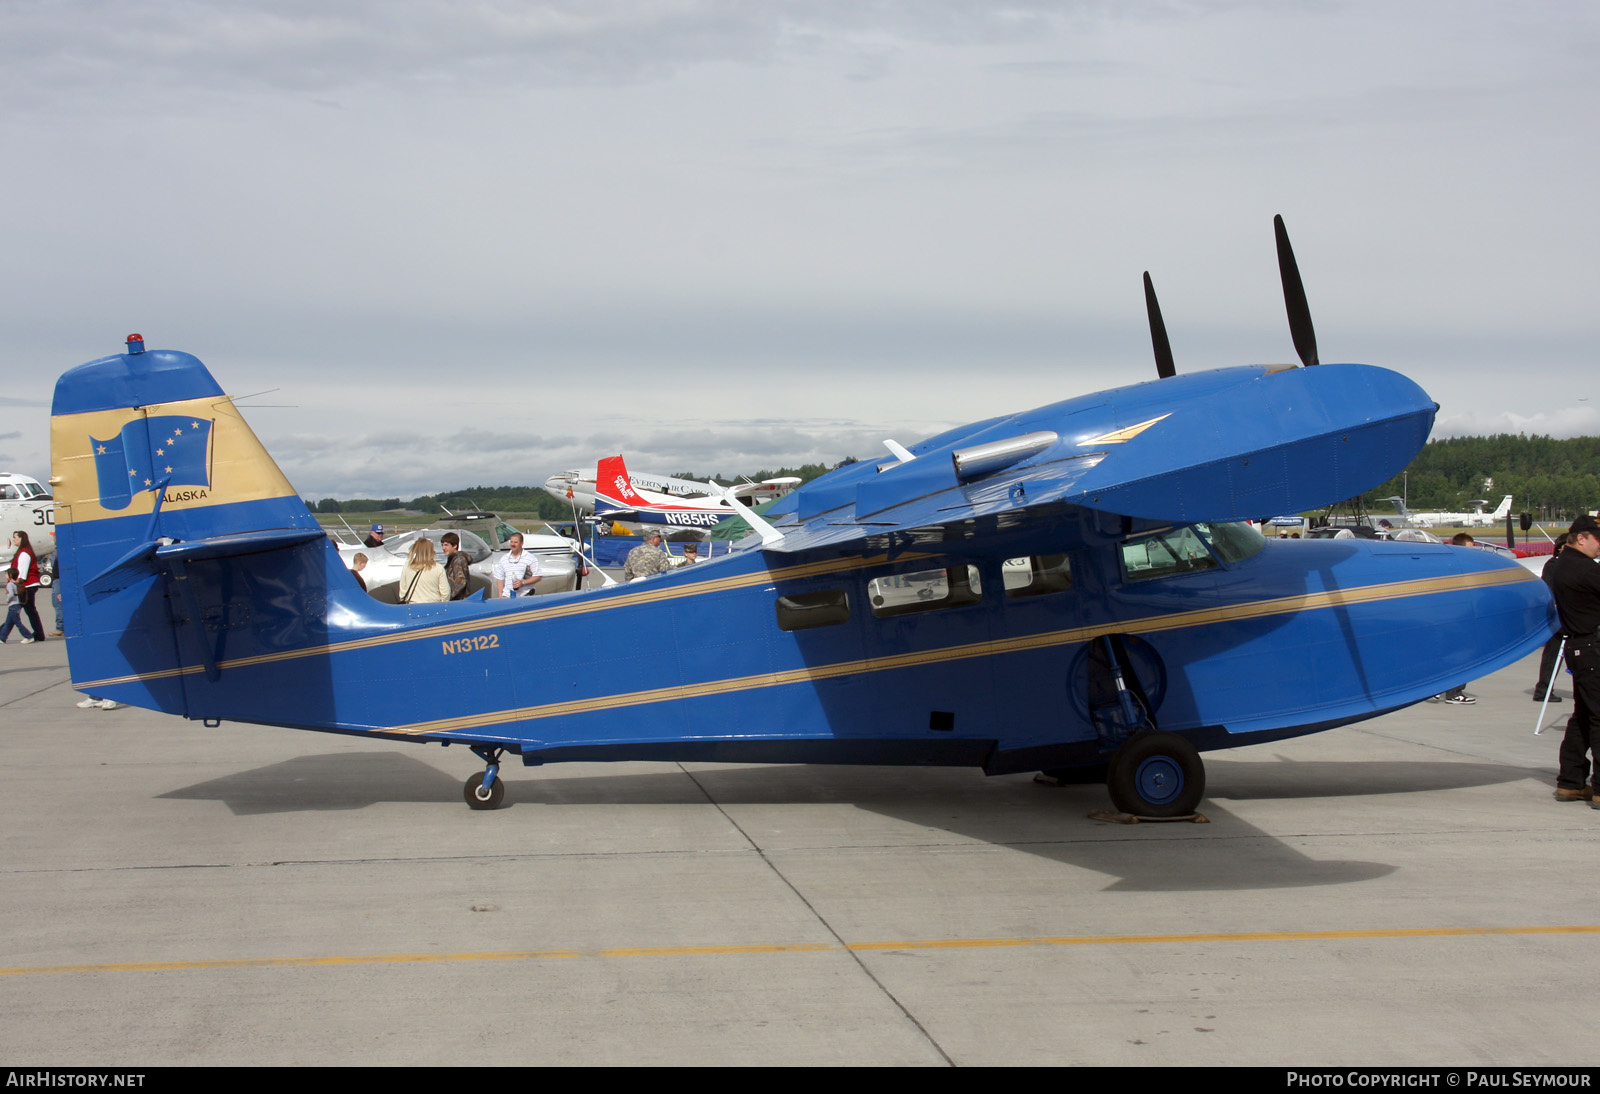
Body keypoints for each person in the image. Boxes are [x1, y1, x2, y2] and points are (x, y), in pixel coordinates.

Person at [1549, 516, 1600, 803]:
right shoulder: (1584, 569)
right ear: (1582, 538)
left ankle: (1571, 780)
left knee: (1583, 716)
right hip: (1593, 647)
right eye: (1598, 541)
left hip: (1580, 648)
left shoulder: (1562, 565)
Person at [1533, 534, 1569, 704]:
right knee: (1553, 654)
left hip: (1566, 615)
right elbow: (1548, 588)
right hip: (1558, 616)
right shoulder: (1554, 565)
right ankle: (1544, 688)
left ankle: (1545, 688)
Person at [8, 531, 45, 642]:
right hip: (26, 585)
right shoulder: (22, 552)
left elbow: (22, 572)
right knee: (27, 611)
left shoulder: (24, 553)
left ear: (20, 539)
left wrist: (16, 584)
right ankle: (38, 634)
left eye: (15, 537)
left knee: (18, 611)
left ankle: (35, 635)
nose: (13, 539)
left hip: (26, 586)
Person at [396, 537, 450, 604]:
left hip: (412, 607)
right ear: (431, 551)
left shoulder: (407, 567)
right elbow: (445, 593)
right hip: (434, 607)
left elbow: (402, 591)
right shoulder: (438, 568)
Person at [492, 533, 542, 598]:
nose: (513, 544)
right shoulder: (504, 558)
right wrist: (500, 595)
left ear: (521, 543)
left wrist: (523, 582)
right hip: (507, 596)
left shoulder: (530, 558)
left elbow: (538, 577)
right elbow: (500, 578)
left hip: (525, 596)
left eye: (515, 542)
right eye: (511, 542)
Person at [1, 567, 34, 644]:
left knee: (18, 623)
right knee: (8, 623)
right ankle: (2, 638)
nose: (5, 575)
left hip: (13, 605)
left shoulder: (9, 584)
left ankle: (29, 636)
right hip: (17, 605)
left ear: (10, 575)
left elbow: (11, 594)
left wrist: (7, 600)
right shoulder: (16, 583)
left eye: (6, 574)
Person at [441, 532, 472, 601]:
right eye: (442, 545)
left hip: (459, 601)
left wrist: (448, 597)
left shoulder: (459, 560)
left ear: (455, 545)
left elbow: (461, 582)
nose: (443, 548)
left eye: (446, 545)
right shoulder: (452, 559)